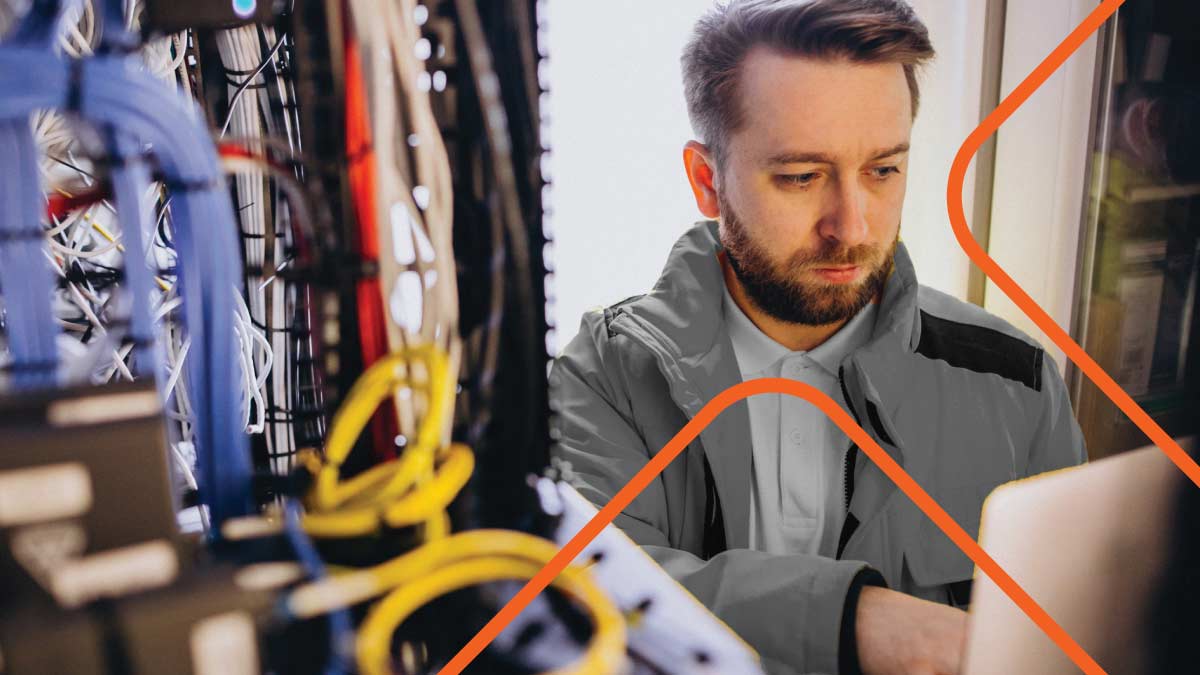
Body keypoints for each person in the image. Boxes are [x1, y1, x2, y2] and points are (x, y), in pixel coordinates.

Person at [548, 1, 1087, 673]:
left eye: (883, 170)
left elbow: (1070, 635)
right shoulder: (602, 379)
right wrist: (859, 620)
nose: (852, 227)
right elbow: (579, 596)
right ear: (707, 181)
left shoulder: (1019, 385)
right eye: (801, 177)